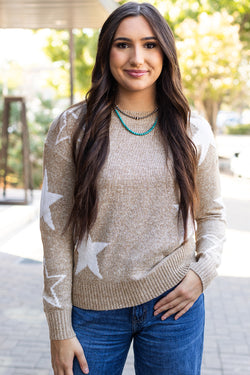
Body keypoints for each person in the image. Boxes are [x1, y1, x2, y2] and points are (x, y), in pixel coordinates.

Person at [40, 2, 226, 375]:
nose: (137, 57)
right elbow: (55, 230)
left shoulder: (193, 130)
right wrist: (59, 326)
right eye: (123, 44)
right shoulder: (72, 128)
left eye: (150, 44)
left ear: (165, 52)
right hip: (93, 311)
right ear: (106, 50)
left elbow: (212, 215)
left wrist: (201, 274)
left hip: (175, 306)